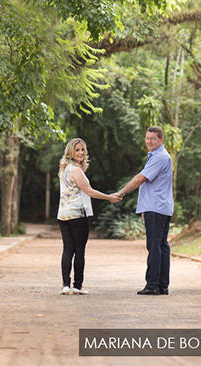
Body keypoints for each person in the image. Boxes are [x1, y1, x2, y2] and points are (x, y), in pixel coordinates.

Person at [113, 126, 174, 296]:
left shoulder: (159, 157)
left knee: (154, 246)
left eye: (153, 138)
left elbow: (140, 179)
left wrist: (121, 192)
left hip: (156, 208)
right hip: (159, 207)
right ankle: (162, 285)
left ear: (161, 139)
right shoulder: (159, 156)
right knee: (162, 246)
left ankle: (153, 285)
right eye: (147, 138)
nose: (149, 142)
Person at [57, 138, 121, 295]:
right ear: (70, 152)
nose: (80, 153)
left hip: (64, 213)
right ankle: (77, 286)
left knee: (67, 249)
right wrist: (110, 197)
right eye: (77, 150)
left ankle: (66, 285)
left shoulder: (64, 169)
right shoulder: (76, 170)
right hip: (78, 214)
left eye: (82, 150)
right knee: (79, 250)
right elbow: (90, 191)